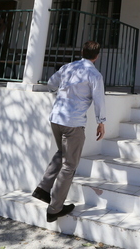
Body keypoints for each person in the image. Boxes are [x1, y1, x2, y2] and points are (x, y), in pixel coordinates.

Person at [32, 40, 106, 222]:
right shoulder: (94, 75)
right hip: (73, 123)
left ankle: (43, 189)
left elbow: (51, 83)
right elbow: (99, 100)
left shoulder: (67, 67)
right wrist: (101, 122)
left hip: (56, 118)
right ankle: (55, 208)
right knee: (69, 165)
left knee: (62, 153)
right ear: (97, 56)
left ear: (82, 52)